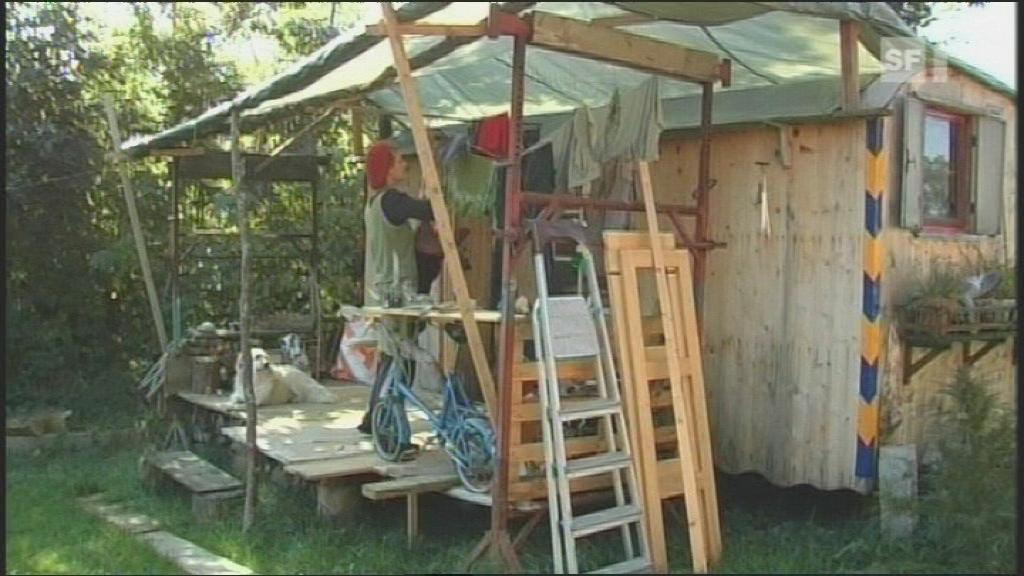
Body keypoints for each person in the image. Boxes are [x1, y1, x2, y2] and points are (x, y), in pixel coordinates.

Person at [357, 140, 433, 442]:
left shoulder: (376, 203)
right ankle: (384, 428)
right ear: (388, 169)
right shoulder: (391, 201)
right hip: (396, 293)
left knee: (393, 360)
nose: (405, 165)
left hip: (386, 289)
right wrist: (439, 196)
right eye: (400, 161)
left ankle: (374, 421)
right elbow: (427, 209)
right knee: (400, 363)